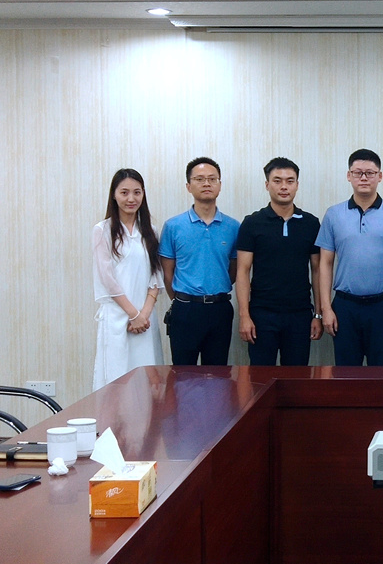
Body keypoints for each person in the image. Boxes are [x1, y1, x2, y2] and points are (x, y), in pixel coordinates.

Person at [316, 148, 383, 366]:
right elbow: (325, 263)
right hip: (344, 306)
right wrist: (326, 308)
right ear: (348, 175)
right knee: (345, 374)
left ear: (380, 176)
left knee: (381, 374)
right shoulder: (333, 214)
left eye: (370, 173)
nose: (363, 178)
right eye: (357, 172)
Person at [236, 157, 323, 366]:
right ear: (267, 185)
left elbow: (318, 270)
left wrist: (318, 315)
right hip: (262, 314)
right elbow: (242, 271)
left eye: (290, 181)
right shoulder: (252, 223)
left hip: (300, 314)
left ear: (297, 185)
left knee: (296, 377)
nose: (284, 186)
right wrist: (244, 316)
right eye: (277, 181)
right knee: (260, 377)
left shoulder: (311, 223)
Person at [159, 157, 240, 365]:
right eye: (200, 179)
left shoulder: (233, 227)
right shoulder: (173, 226)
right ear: (188, 186)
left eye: (212, 179)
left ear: (220, 185)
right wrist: (182, 299)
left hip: (220, 309)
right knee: (183, 375)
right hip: (185, 310)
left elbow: (234, 270)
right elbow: (167, 273)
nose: (206, 184)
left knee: (217, 374)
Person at [92, 169, 164, 390]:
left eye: (137, 192)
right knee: (117, 382)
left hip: (145, 321)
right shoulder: (102, 230)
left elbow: (156, 276)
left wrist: (144, 315)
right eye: (124, 192)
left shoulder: (150, 231)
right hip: (118, 318)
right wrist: (133, 315)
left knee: (148, 383)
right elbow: (107, 278)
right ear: (114, 195)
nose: (131, 198)